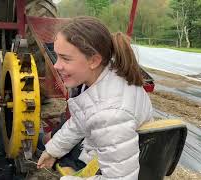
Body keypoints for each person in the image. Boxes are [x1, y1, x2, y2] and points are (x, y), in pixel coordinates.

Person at [37, 16, 153, 180]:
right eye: (57, 56)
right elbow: (80, 119)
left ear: (94, 60)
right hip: (113, 151)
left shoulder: (110, 114)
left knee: (41, 141)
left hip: (109, 163)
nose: (56, 65)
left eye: (65, 58)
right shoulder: (104, 74)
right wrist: (53, 150)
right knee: (47, 142)